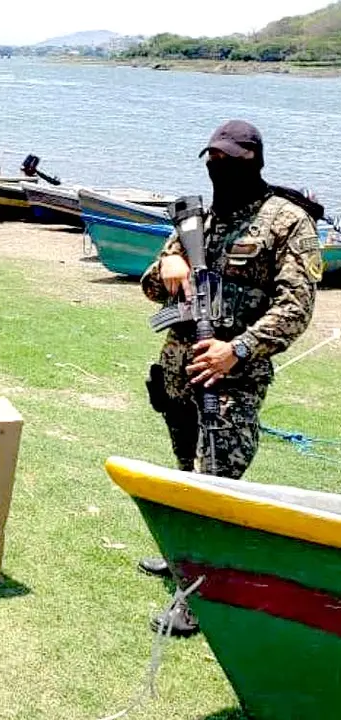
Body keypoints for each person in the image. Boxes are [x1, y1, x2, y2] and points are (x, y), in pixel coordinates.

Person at [139, 120, 323, 636]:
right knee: (183, 471)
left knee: (218, 480)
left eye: (229, 161)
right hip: (180, 367)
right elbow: (153, 289)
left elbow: (296, 308)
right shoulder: (200, 219)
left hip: (234, 379)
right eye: (211, 160)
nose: (217, 169)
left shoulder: (287, 222)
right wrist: (168, 264)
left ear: (253, 162)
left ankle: (197, 598)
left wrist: (236, 349)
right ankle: (182, 557)